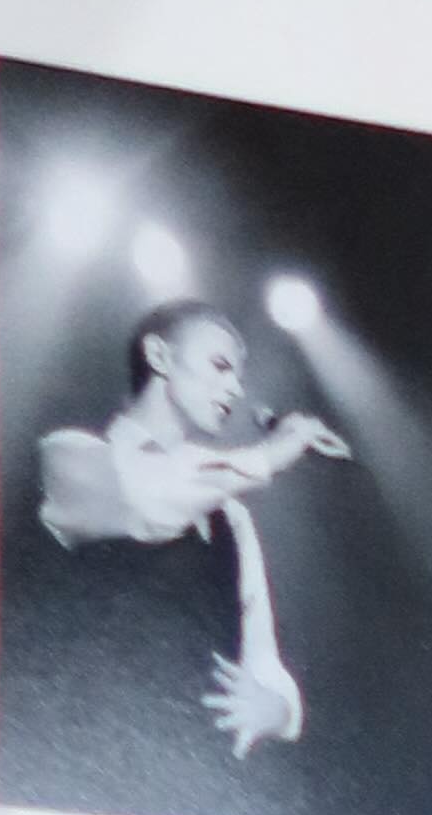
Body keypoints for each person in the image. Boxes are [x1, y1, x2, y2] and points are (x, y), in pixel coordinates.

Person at [33, 297, 354, 772]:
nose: (236, 388)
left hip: (198, 762)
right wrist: (274, 452)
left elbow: (263, 658)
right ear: (159, 356)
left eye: (238, 375)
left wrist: (280, 711)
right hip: (92, 754)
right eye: (220, 366)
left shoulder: (231, 516)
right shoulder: (69, 455)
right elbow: (150, 495)